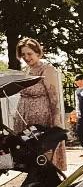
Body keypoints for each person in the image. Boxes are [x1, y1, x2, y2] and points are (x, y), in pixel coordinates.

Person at [14, 37, 66, 173]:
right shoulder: (25, 70)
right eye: (23, 54)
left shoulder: (46, 69)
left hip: (41, 118)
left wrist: (56, 120)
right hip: (25, 119)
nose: (26, 57)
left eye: (29, 53)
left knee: (42, 153)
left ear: (37, 52)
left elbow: (54, 97)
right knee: (30, 154)